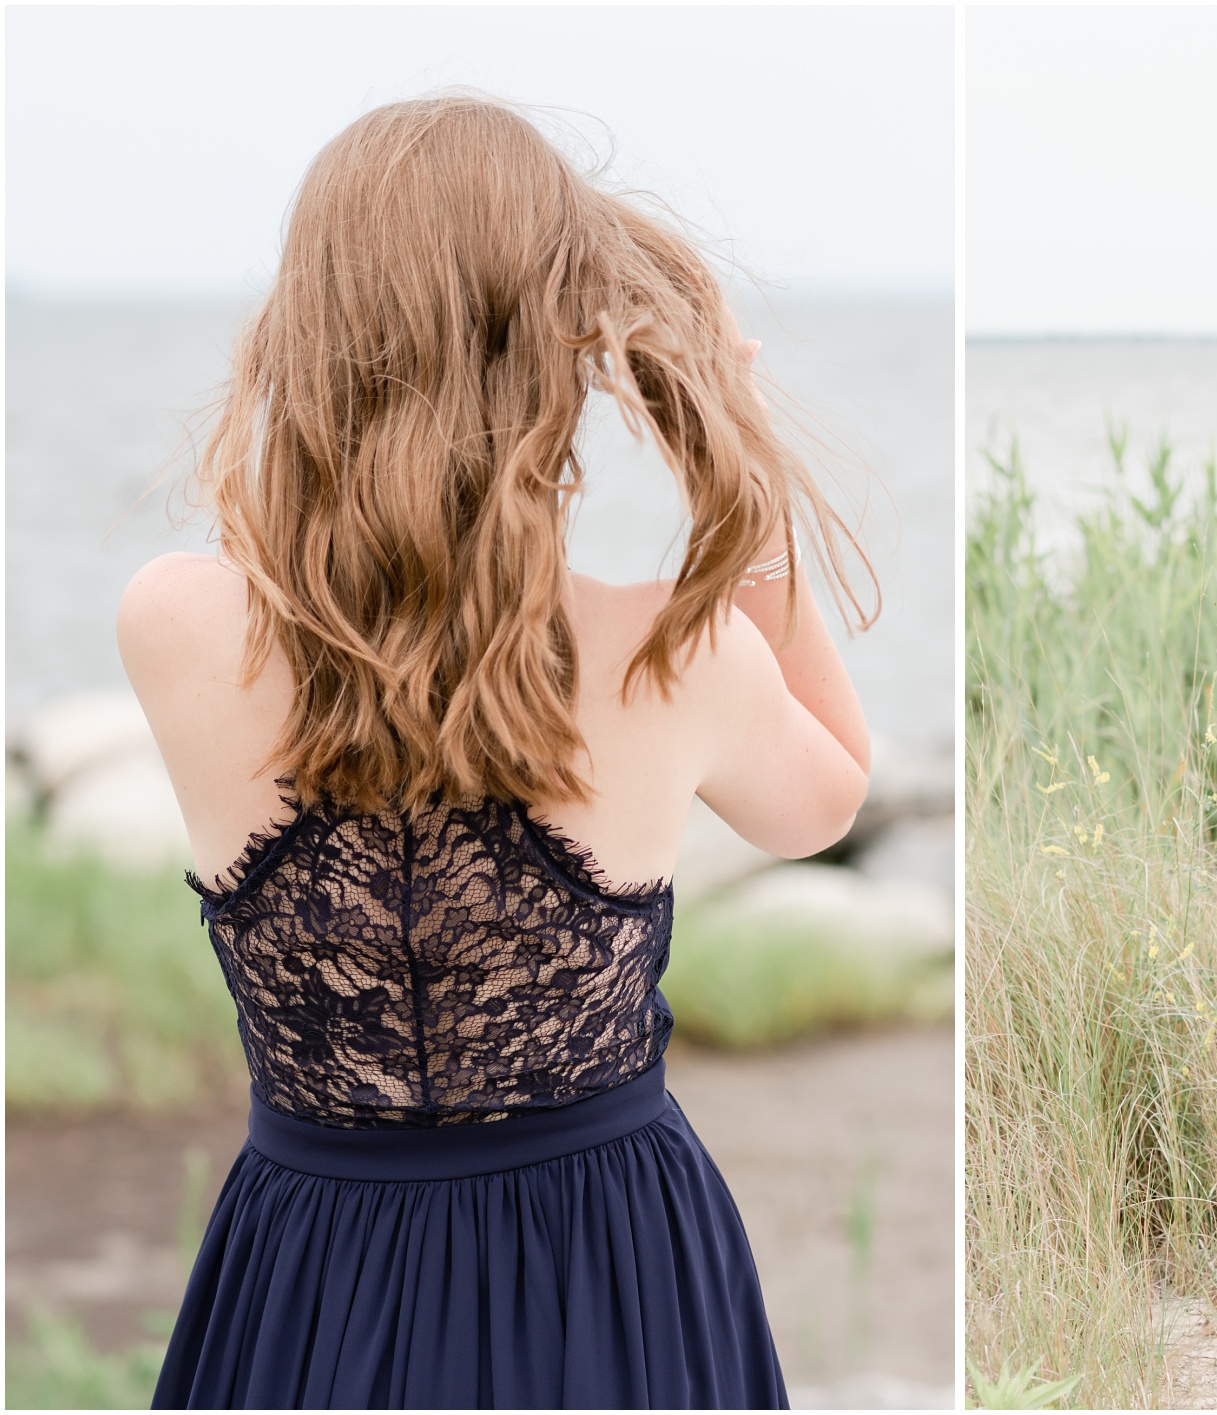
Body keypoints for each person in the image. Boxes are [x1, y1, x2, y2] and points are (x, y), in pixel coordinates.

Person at [120, 94, 875, 1409]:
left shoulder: (173, 623)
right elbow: (825, 801)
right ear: (563, 349)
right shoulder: (672, 658)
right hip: (604, 1265)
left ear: (302, 326)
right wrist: (725, 448)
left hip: (309, 1265)